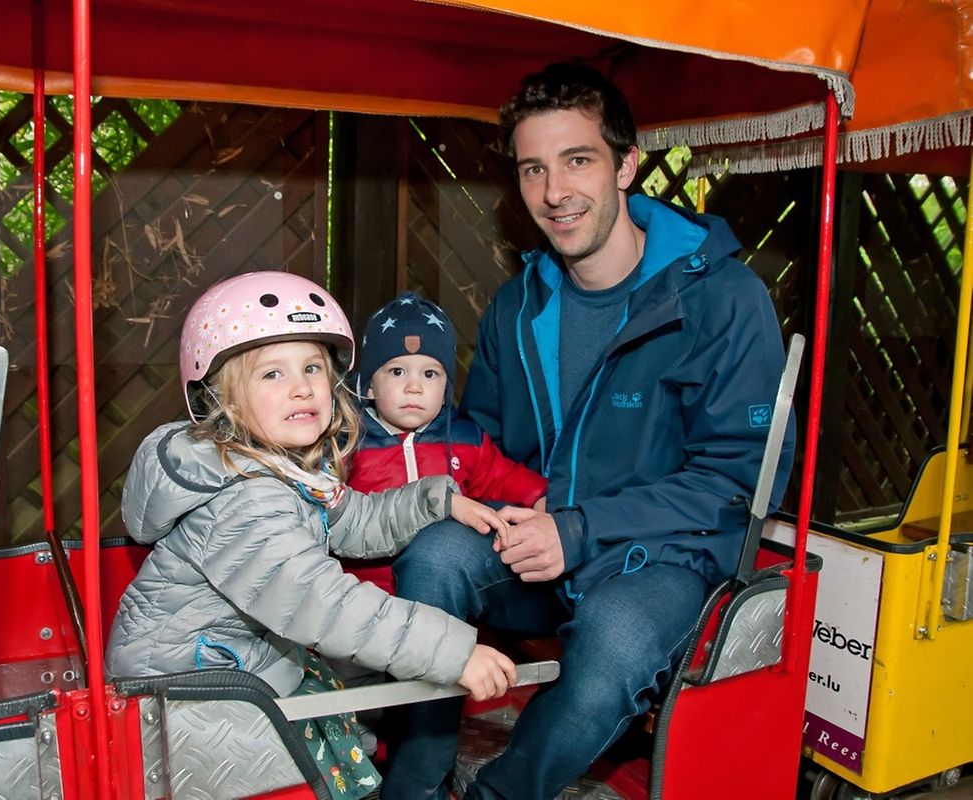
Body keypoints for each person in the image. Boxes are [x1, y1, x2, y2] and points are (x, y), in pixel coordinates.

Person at [382, 63, 794, 800]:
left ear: (627, 164)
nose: (554, 192)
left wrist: (580, 527)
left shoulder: (724, 300)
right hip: (540, 538)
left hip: (666, 554)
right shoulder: (519, 305)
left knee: (615, 644)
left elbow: (736, 482)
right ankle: (412, 783)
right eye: (533, 169)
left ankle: (498, 793)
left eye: (578, 161)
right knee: (435, 554)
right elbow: (489, 443)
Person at [105, 271, 518, 800]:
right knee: (340, 751)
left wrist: (436, 499)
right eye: (272, 374)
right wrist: (454, 652)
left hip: (241, 654)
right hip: (188, 683)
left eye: (312, 368)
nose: (301, 386)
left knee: (356, 701)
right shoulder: (244, 501)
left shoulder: (287, 471)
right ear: (223, 399)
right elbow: (322, 601)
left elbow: (357, 522)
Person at [349, 291, 547, 509]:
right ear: (368, 387)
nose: (414, 388)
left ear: (445, 391)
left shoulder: (466, 440)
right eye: (397, 372)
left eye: (429, 374)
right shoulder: (350, 445)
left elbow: (501, 478)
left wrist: (539, 498)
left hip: (449, 541)